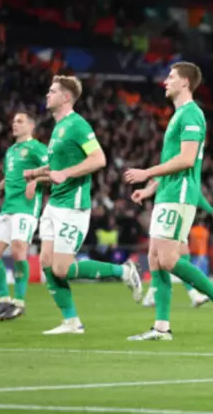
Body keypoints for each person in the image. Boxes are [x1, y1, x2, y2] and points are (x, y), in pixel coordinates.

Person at [124, 62, 213, 341]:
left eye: (171, 77)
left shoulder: (191, 114)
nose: (166, 81)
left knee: (167, 259)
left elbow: (187, 160)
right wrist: (151, 189)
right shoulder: (178, 115)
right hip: (166, 193)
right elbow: (172, 162)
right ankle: (162, 328)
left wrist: (147, 173)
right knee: (155, 258)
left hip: (180, 194)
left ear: (185, 82)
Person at [24, 76, 143, 335]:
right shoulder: (59, 128)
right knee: (46, 262)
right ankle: (71, 322)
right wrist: (37, 174)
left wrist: (66, 174)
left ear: (66, 97)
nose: (47, 94)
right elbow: (57, 168)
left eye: (53, 91)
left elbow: (98, 159)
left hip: (73, 205)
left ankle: (123, 271)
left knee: (62, 268)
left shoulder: (78, 125)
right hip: (54, 203)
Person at [0, 113, 48, 321]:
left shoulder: (38, 148)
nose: (14, 124)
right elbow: (11, 176)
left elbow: (54, 171)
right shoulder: (11, 151)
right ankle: (4, 299)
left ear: (31, 126)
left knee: (18, 250)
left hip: (26, 207)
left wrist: (36, 181)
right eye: (13, 121)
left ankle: (19, 302)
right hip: (8, 207)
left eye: (20, 121)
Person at [131, 178, 213, 307]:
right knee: (169, 258)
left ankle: (189, 294)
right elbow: (152, 183)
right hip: (165, 216)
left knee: (179, 255)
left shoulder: (178, 177)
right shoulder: (166, 175)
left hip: (173, 215)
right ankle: (156, 295)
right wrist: (150, 189)